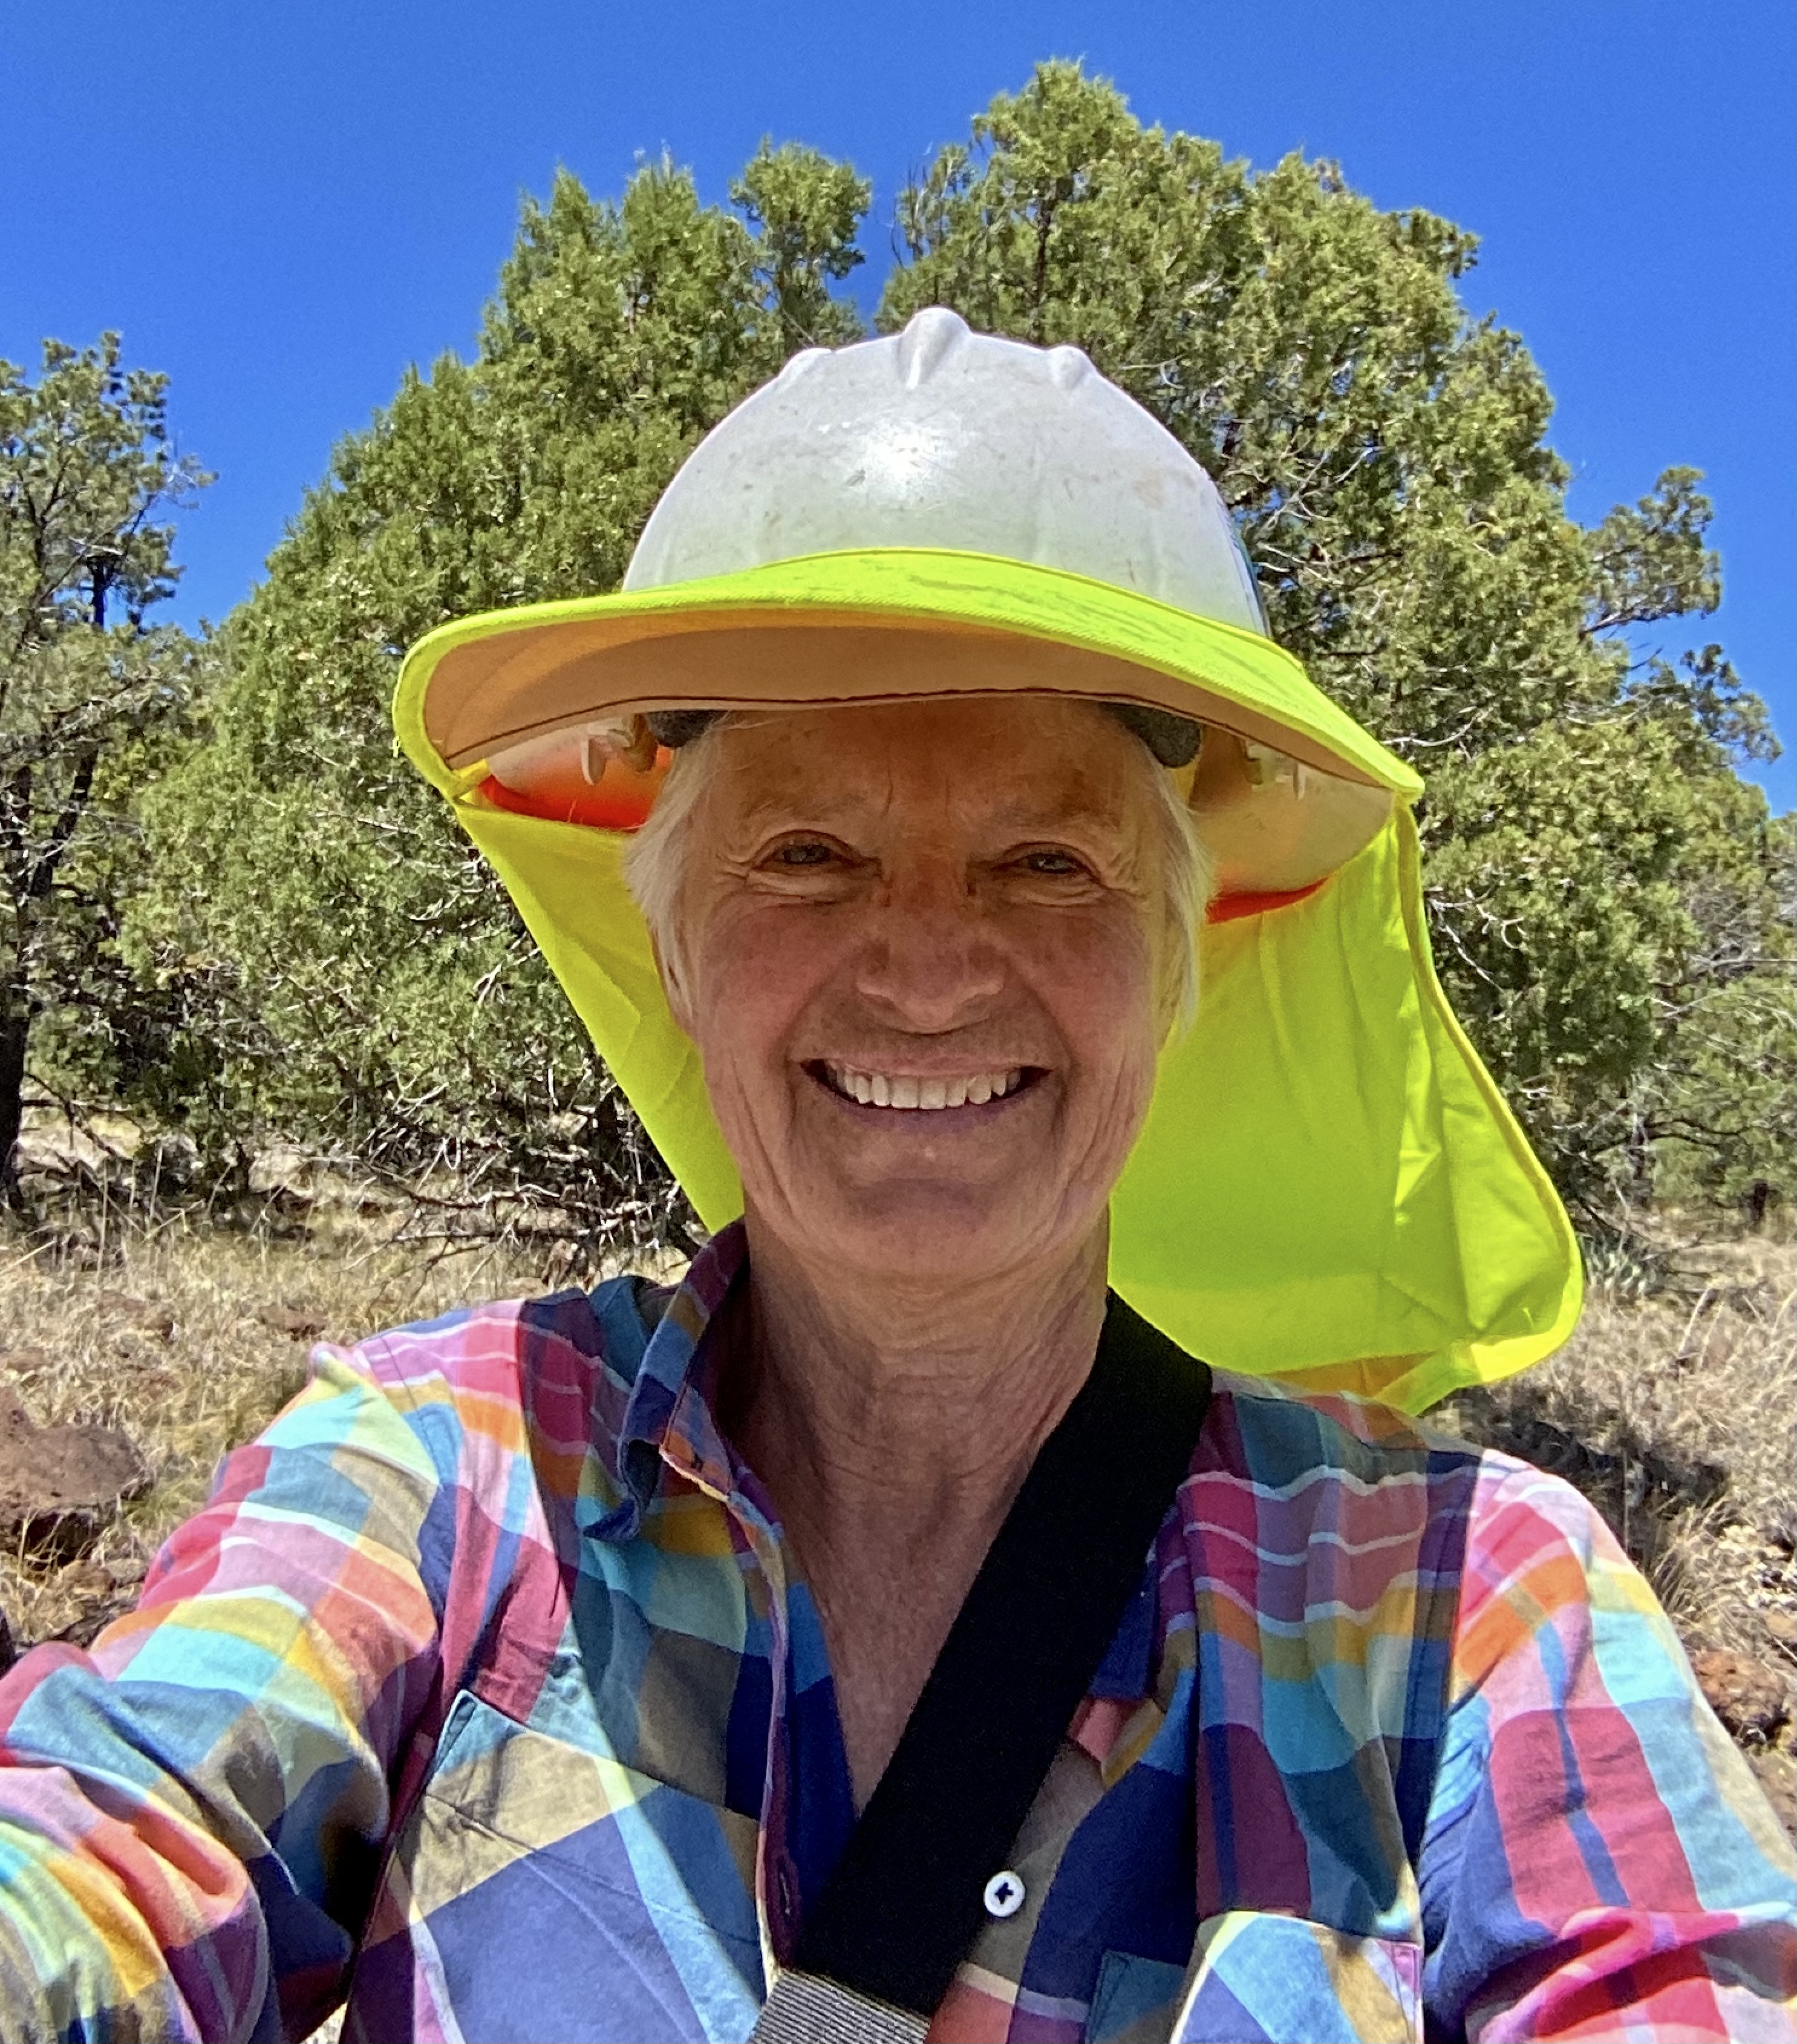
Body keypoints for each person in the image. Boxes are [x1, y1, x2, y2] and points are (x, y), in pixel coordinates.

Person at [0, 311, 1790, 2044]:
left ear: (1175, 965)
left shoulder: (1466, 1605)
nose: (925, 969)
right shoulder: (440, 1478)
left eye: (1044, 859)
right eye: (803, 852)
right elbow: (113, 1858)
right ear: (678, 950)